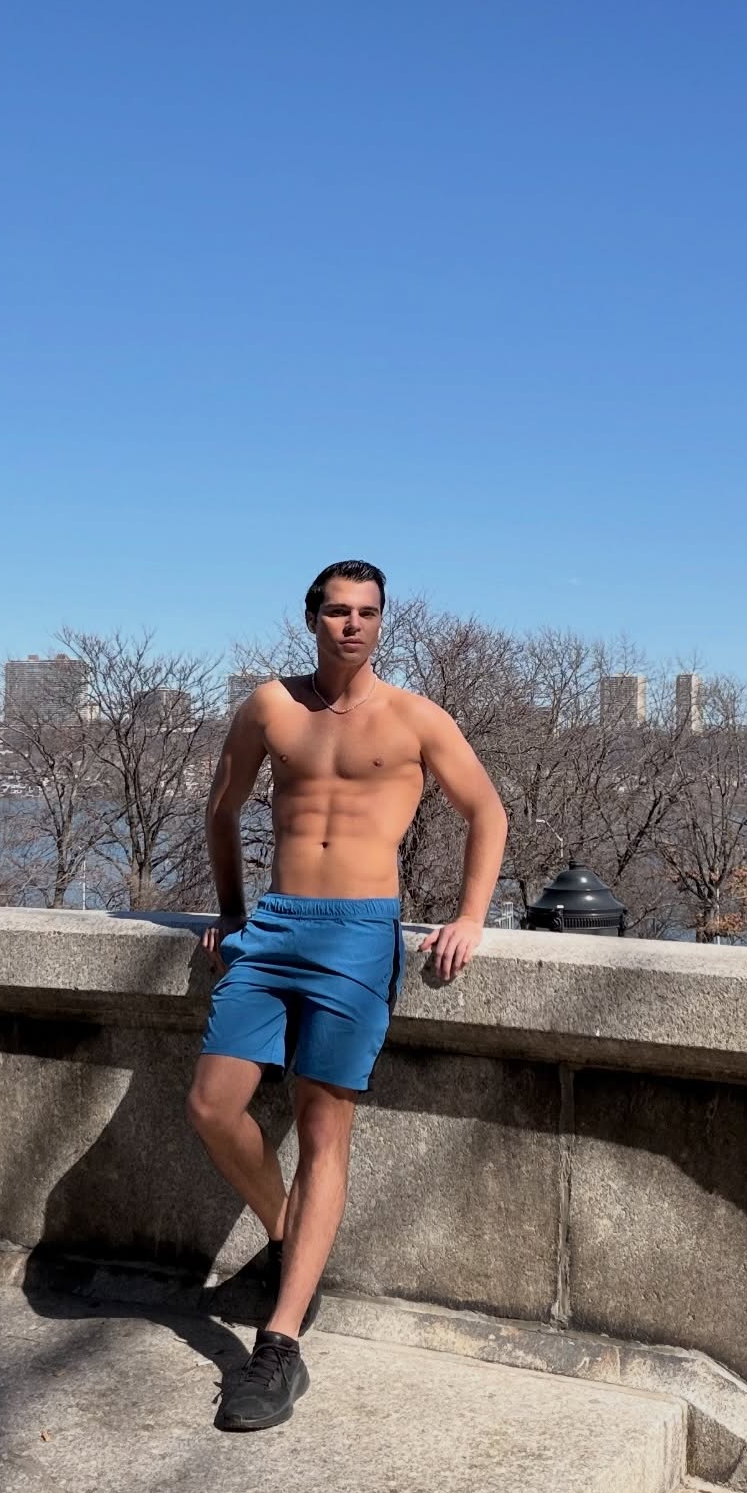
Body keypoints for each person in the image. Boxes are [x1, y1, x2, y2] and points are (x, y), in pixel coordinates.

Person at [187, 560, 508, 1432]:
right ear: (312, 619)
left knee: (325, 1130)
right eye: (338, 611)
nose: (353, 625)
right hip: (275, 925)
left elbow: (487, 811)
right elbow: (222, 809)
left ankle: (279, 1344)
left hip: (360, 932)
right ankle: (287, 1229)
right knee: (213, 1104)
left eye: (367, 612)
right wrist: (231, 914)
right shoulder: (270, 707)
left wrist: (470, 917)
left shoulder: (413, 717)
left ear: (381, 622)